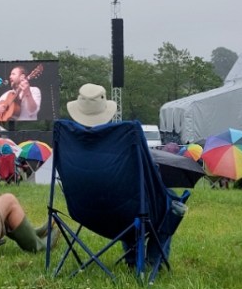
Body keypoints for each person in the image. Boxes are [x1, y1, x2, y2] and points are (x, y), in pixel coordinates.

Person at [66, 83, 187, 268]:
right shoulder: (123, 135)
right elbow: (149, 175)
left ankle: (133, 258)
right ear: (107, 109)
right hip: (126, 211)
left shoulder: (67, 138)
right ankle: (155, 260)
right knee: (172, 203)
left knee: (128, 200)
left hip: (83, 210)